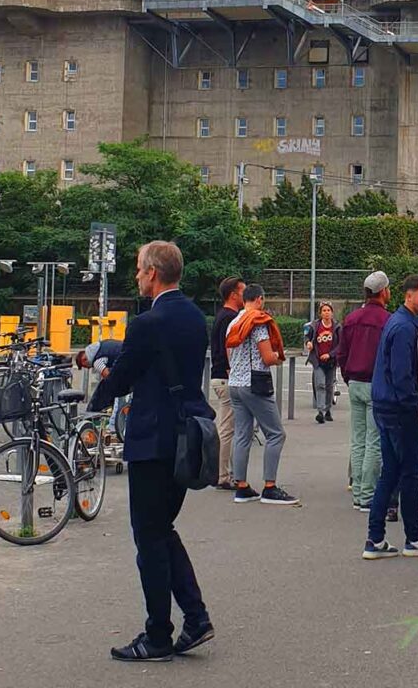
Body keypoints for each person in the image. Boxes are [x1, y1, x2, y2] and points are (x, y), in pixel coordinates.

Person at [89, 241, 214, 662]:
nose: (137, 276)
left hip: (152, 441)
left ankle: (158, 634)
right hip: (187, 437)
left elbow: (123, 376)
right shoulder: (196, 317)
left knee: (149, 537)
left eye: (140, 270)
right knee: (163, 530)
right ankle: (195, 619)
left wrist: (95, 389)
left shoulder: (147, 322)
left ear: (154, 273)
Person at [362, 274, 418, 560]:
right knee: (410, 472)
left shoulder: (399, 321)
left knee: (390, 472)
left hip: (384, 404)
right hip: (399, 409)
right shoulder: (405, 327)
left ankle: (375, 538)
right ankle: (414, 538)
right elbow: (402, 375)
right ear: (408, 295)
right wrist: (416, 405)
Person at [226, 284, 299, 505]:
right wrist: (278, 356)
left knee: (242, 435)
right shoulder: (258, 323)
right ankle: (270, 487)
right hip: (255, 384)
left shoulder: (234, 322)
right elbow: (267, 357)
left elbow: (229, 352)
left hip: (235, 383)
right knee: (276, 434)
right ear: (259, 299)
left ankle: (241, 486)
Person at [338, 271, 391, 512]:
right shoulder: (387, 321)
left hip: (355, 382)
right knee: (374, 440)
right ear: (383, 291)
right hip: (376, 384)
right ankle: (368, 494)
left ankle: (358, 490)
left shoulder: (351, 319)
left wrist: (348, 377)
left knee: (358, 440)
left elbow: (342, 353)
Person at [209, 276, 245, 490]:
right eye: (243, 291)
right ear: (233, 294)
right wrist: (235, 374)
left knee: (227, 428)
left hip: (219, 376)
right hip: (226, 376)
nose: (245, 295)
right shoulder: (230, 318)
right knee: (227, 430)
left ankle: (224, 472)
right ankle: (222, 475)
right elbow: (229, 349)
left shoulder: (221, 315)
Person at [75, 337, 125, 433]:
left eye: (85, 366)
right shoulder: (101, 346)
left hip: (124, 365)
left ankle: (111, 426)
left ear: (84, 360)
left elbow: (109, 377)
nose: (88, 368)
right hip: (128, 358)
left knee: (108, 392)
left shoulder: (97, 361)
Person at [306, 301, 340, 424]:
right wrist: (308, 343)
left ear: (332, 312)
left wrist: (330, 355)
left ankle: (328, 409)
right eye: (324, 311)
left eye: (328, 310)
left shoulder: (337, 327)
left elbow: (341, 345)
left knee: (329, 386)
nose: (326, 313)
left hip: (331, 362)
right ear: (320, 313)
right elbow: (307, 337)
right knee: (319, 384)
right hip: (318, 360)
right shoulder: (315, 326)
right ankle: (320, 411)